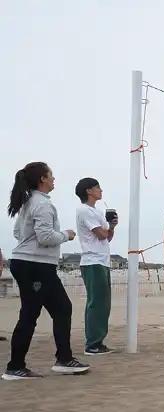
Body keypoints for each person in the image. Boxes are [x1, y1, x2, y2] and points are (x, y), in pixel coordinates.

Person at [3, 162, 90, 380]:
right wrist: (66, 235)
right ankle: (16, 366)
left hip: (30, 264)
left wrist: (33, 243)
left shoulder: (27, 202)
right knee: (32, 314)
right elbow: (45, 237)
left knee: (60, 309)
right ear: (42, 179)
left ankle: (63, 358)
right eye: (51, 176)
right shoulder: (41, 204)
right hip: (35, 266)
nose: (54, 180)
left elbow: (17, 232)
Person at [74, 178, 117, 355]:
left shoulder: (95, 211)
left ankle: (97, 341)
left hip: (101, 261)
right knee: (97, 303)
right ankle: (92, 343)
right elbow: (100, 235)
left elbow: (107, 237)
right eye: (97, 187)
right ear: (88, 191)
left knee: (102, 302)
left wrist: (112, 226)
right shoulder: (85, 210)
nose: (100, 190)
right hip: (92, 261)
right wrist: (108, 228)